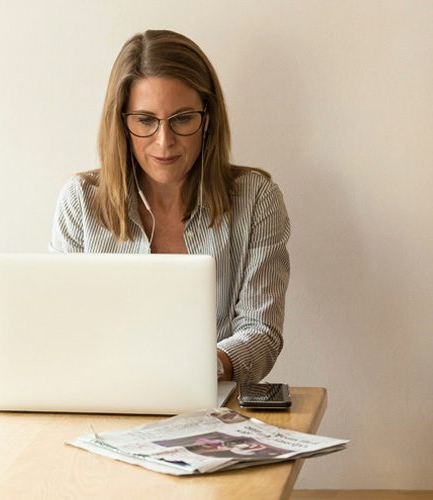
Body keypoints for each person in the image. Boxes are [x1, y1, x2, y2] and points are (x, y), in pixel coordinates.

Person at [49, 29, 290, 383]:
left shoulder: (256, 199)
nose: (164, 142)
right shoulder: (80, 201)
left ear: (207, 118)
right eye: (146, 120)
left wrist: (197, 369)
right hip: (103, 403)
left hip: (214, 409)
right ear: (122, 123)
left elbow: (262, 332)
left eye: (182, 119)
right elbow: (62, 330)